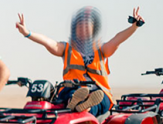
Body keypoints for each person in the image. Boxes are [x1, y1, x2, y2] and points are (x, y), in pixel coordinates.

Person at [15, 7, 145, 116]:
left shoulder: (101, 49)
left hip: (98, 90)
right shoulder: (66, 49)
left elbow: (117, 40)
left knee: (102, 101)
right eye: (80, 26)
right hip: (73, 88)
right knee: (72, 94)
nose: (83, 29)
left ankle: (85, 107)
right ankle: (76, 102)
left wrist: (134, 27)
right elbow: (49, 42)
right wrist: (28, 33)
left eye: (86, 26)